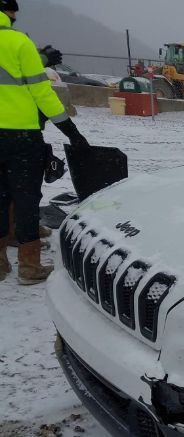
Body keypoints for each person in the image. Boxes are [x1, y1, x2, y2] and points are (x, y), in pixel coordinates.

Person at [0, 0, 89, 284]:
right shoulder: (18, 42)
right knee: (25, 199)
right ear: (10, 13)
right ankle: (29, 266)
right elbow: (42, 92)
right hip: (21, 135)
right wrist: (71, 132)